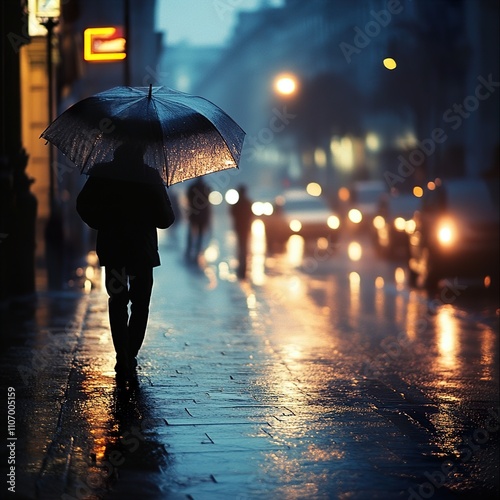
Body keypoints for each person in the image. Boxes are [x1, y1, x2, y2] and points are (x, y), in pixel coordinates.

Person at [76, 143, 175, 379]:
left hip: (115, 251)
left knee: (117, 301)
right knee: (140, 305)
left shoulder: (103, 172)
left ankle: (122, 354)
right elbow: (166, 219)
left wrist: (102, 222)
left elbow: (83, 205)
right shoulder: (149, 176)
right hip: (142, 252)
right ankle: (130, 354)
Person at [185, 177, 212, 262]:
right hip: (202, 215)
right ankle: (197, 251)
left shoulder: (192, 187)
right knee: (199, 234)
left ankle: (189, 251)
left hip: (194, 214)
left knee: (191, 234)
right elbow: (207, 204)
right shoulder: (206, 188)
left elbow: (188, 199)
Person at [230, 184, 253, 279]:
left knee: (241, 247)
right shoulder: (247, 203)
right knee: (244, 247)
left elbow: (232, 213)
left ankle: (241, 265)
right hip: (244, 228)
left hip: (240, 228)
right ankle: (243, 266)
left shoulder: (237, 204)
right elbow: (250, 215)